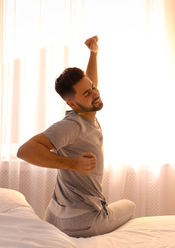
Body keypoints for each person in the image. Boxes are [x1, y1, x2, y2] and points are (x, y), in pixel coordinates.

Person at [17, 36, 135, 238]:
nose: (95, 94)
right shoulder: (73, 126)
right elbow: (24, 151)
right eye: (87, 94)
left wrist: (93, 54)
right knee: (130, 206)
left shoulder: (84, 110)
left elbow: (88, 85)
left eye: (93, 88)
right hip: (83, 220)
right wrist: (73, 164)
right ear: (71, 104)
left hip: (55, 214)